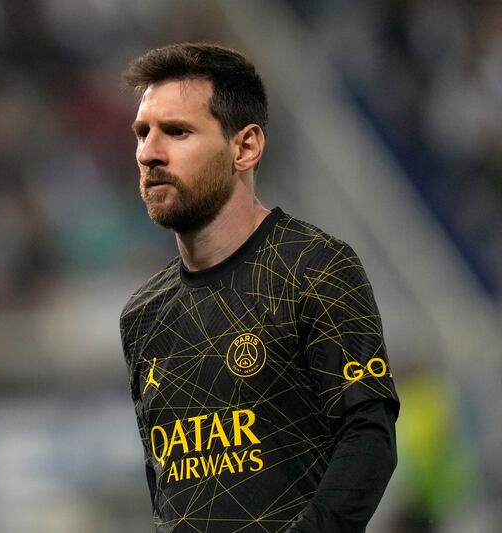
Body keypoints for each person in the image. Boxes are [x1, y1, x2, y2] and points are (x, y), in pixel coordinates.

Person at [119, 43, 400, 532]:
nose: (149, 153)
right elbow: (166, 492)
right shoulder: (142, 315)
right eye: (143, 133)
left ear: (245, 147)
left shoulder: (314, 267)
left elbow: (369, 441)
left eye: (177, 132)